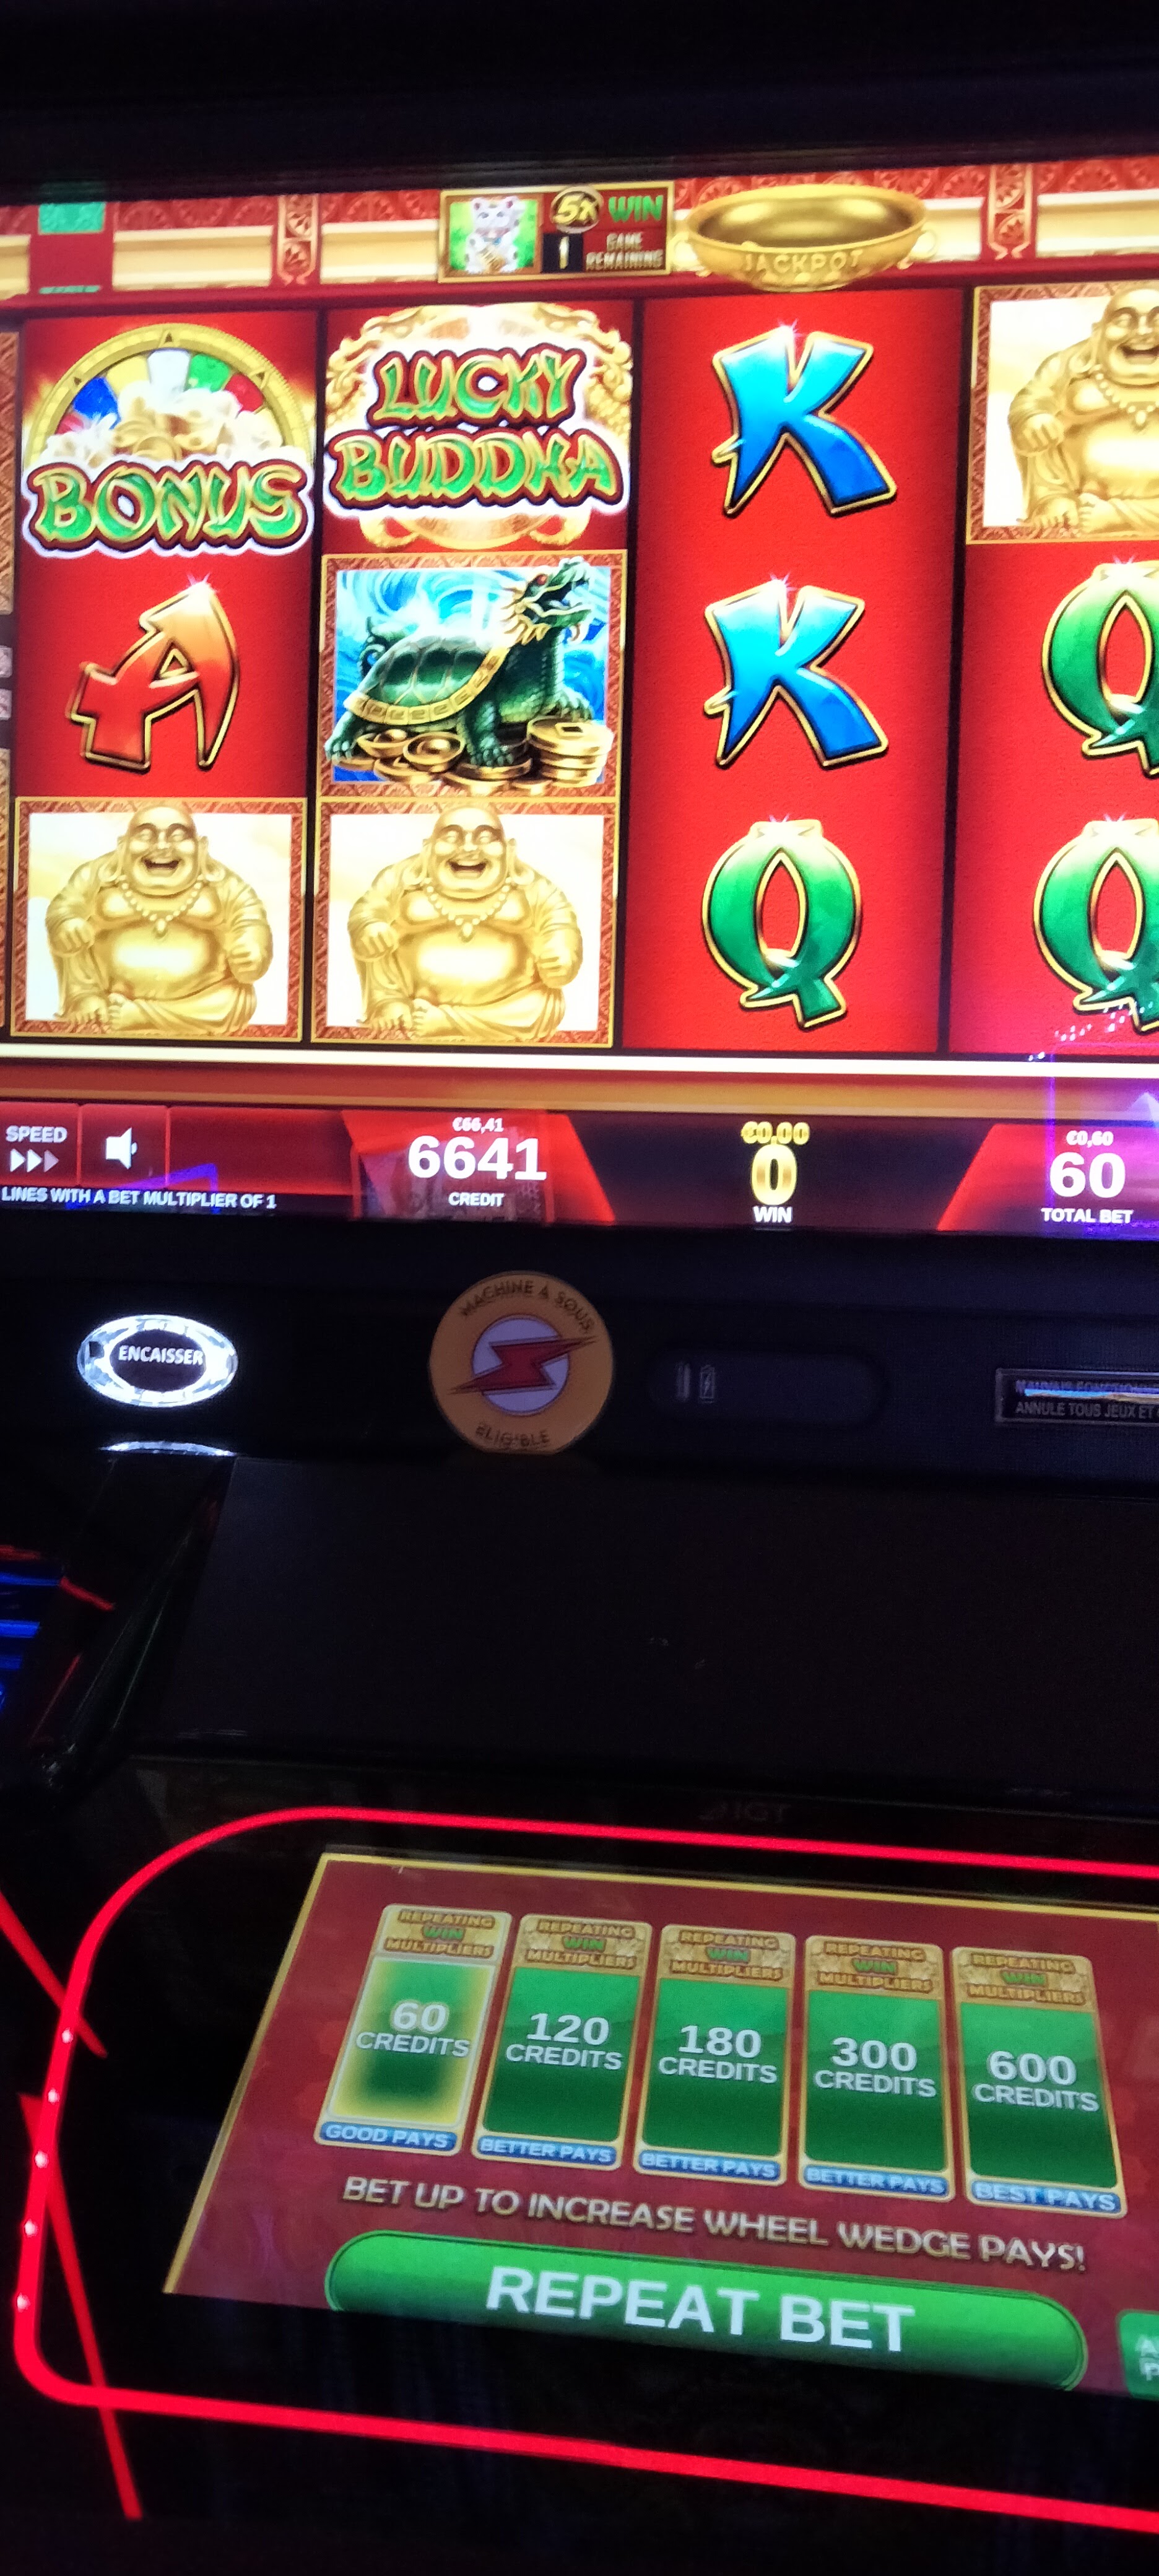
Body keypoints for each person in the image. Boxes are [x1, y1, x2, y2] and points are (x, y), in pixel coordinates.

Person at [348, 803, 582, 1043]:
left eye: (486, 838)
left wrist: (562, 953)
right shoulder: (402, 876)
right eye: (451, 837)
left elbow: (560, 920)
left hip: (510, 1005)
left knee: (542, 1006)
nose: (469, 848)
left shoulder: (530, 884)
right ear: (428, 848)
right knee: (374, 939)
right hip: (408, 995)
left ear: (509, 850)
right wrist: (369, 928)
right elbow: (369, 908)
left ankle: (445, 1023)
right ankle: (389, 1002)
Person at [45, 800, 272, 1036]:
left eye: (178, 836)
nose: (162, 846)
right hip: (104, 992)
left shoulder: (222, 883)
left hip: (201, 1000)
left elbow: (250, 919)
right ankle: (85, 997)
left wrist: (252, 951)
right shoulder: (98, 874)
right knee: (70, 936)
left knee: (237, 1000)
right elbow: (66, 905)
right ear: (123, 846)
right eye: (146, 835)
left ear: (201, 847)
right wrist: (67, 924)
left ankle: (139, 1017)